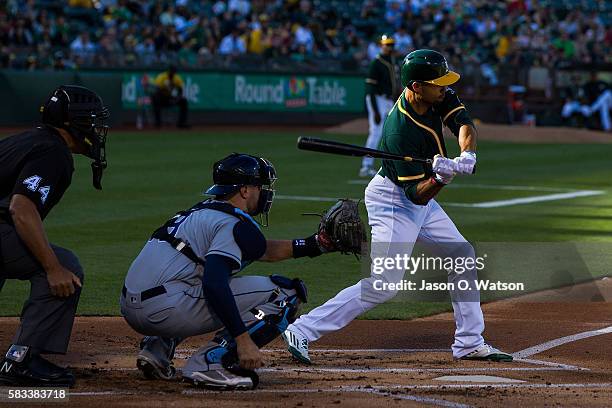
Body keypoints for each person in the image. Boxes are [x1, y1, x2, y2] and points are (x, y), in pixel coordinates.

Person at [282, 49, 513, 364]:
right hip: (393, 200)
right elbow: (416, 195)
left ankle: (469, 342)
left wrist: (467, 154)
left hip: (417, 197)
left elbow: (463, 123)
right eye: (438, 83)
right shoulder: (398, 131)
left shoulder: (436, 93)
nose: (444, 88)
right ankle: (302, 329)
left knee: (462, 256)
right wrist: (441, 178)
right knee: (384, 284)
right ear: (417, 86)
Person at [120, 153, 345, 390]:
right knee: (285, 294)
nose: (265, 192)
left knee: (193, 277)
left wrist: (317, 244)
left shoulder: (202, 212)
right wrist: (243, 340)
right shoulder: (232, 224)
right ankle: (209, 362)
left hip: (132, 306)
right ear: (245, 190)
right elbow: (214, 284)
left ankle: (157, 349)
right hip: (165, 310)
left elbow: (259, 250)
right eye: (259, 185)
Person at [0, 85, 110, 387]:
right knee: (65, 267)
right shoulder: (54, 151)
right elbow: (21, 209)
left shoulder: (27, 139)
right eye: (92, 121)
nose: (97, 129)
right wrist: (52, 268)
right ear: (72, 123)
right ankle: (21, 361)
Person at [360, 33, 401, 177]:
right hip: (376, 99)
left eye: (391, 44)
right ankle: (366, 166)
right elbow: (370, 89)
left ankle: (389, 165)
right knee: (376, 132)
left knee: (392, 132)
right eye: (387, 45)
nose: (390, 47)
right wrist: (375, 110)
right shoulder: (376, 62)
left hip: (388, 100)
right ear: (381, 46)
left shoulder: (392, 61)